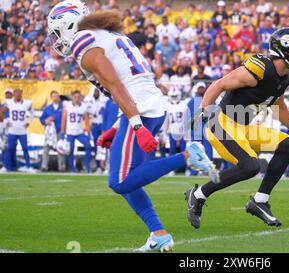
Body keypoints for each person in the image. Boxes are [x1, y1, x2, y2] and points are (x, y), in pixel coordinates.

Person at [47, 0, 217, 252]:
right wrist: (117, 127)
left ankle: (188, 155)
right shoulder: (105, 34)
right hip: (147, 105)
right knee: (127, 179)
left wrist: (136, 125)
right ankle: (158, 233)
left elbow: (117, 86)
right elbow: (127, 80)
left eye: (56, 32)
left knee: (119, 181)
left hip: (140, 109)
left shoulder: (83, 41)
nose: (56, 39)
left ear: (68, 23)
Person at [185, 28, 289, 228]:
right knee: (251, 166)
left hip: (243, 127)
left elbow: (278, 104)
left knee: (288, 146)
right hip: (220, 123)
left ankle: (260, 201)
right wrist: (204, 112)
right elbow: (218, 85)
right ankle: (198, 195)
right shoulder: (260, 68)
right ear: (286, 50)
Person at [1, 88, 35, 173]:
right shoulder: (9, 102)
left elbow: (32, 112)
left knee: (25, 148)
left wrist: (28, 121)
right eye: (16, 94)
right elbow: (1, 111)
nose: (17, 95)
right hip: (12, 130)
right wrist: (5, 121)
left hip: (22, 130)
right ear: (14, 94)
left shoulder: (27, 103)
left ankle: (28, 166)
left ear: (21, 94)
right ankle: (5, 166)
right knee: (10, 148)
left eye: (19, 94)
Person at [61, 90, 92, 173]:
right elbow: (63, 119)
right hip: (70, 132)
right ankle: (72, 169)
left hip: (79, 132)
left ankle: (87, 167)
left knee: (88, 146)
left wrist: (88, 132)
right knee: (70, 149)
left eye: (78, 97)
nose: (77, 99)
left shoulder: (84, 106)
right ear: (72, 97)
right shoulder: (67, 105)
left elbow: (86, 121)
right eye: (75, 97)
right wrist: (62, 131)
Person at [40, 90, 65, 172]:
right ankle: (44, 166)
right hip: (50, 133)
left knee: (60, 149)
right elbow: (41, 118)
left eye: (56, 96)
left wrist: (63, 131)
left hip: (59, 131)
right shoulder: (48, 108)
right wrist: (45, 121)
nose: (55, 98)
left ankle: (61, 167)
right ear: (51, 97)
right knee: (46, 149)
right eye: (53, 96)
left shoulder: (63, 107)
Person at [85, 88, 106, 173]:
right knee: (96, 145)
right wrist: (87, 127)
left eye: (98, 91)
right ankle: (97, 166)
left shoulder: (103, 101)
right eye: (95, 91)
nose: (96, 93)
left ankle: (103, 166)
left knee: (103, 145)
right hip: (94, 125)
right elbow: (86, 114)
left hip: (102, 125)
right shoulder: (89, 101)